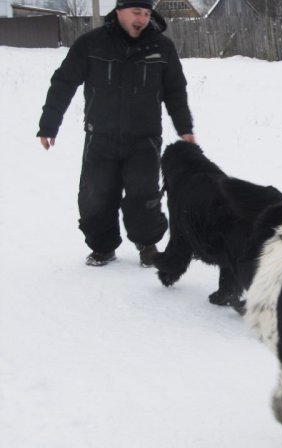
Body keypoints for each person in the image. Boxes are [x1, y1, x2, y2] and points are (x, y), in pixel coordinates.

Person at [37, 0, 195, 267]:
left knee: (144, 196)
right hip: (100, 137)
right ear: (120, 11)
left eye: (146, 13)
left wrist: (185, 128)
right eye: (137, 12)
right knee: (95, 197)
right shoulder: (91, 44)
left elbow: (175, 91)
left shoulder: (161, 47)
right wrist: (50, 123)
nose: (142, 18)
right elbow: (64, 82)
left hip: (144, 139)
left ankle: (147, 244)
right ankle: (102, 247)